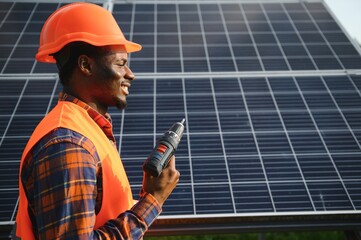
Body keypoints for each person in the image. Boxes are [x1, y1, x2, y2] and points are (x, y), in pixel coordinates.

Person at [14, 2, 180, 239]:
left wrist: (146, 196)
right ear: (86, 65)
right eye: (120, 63)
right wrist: (153, 201)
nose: (130, 74)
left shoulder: (86, 129)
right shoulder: (69, 146)